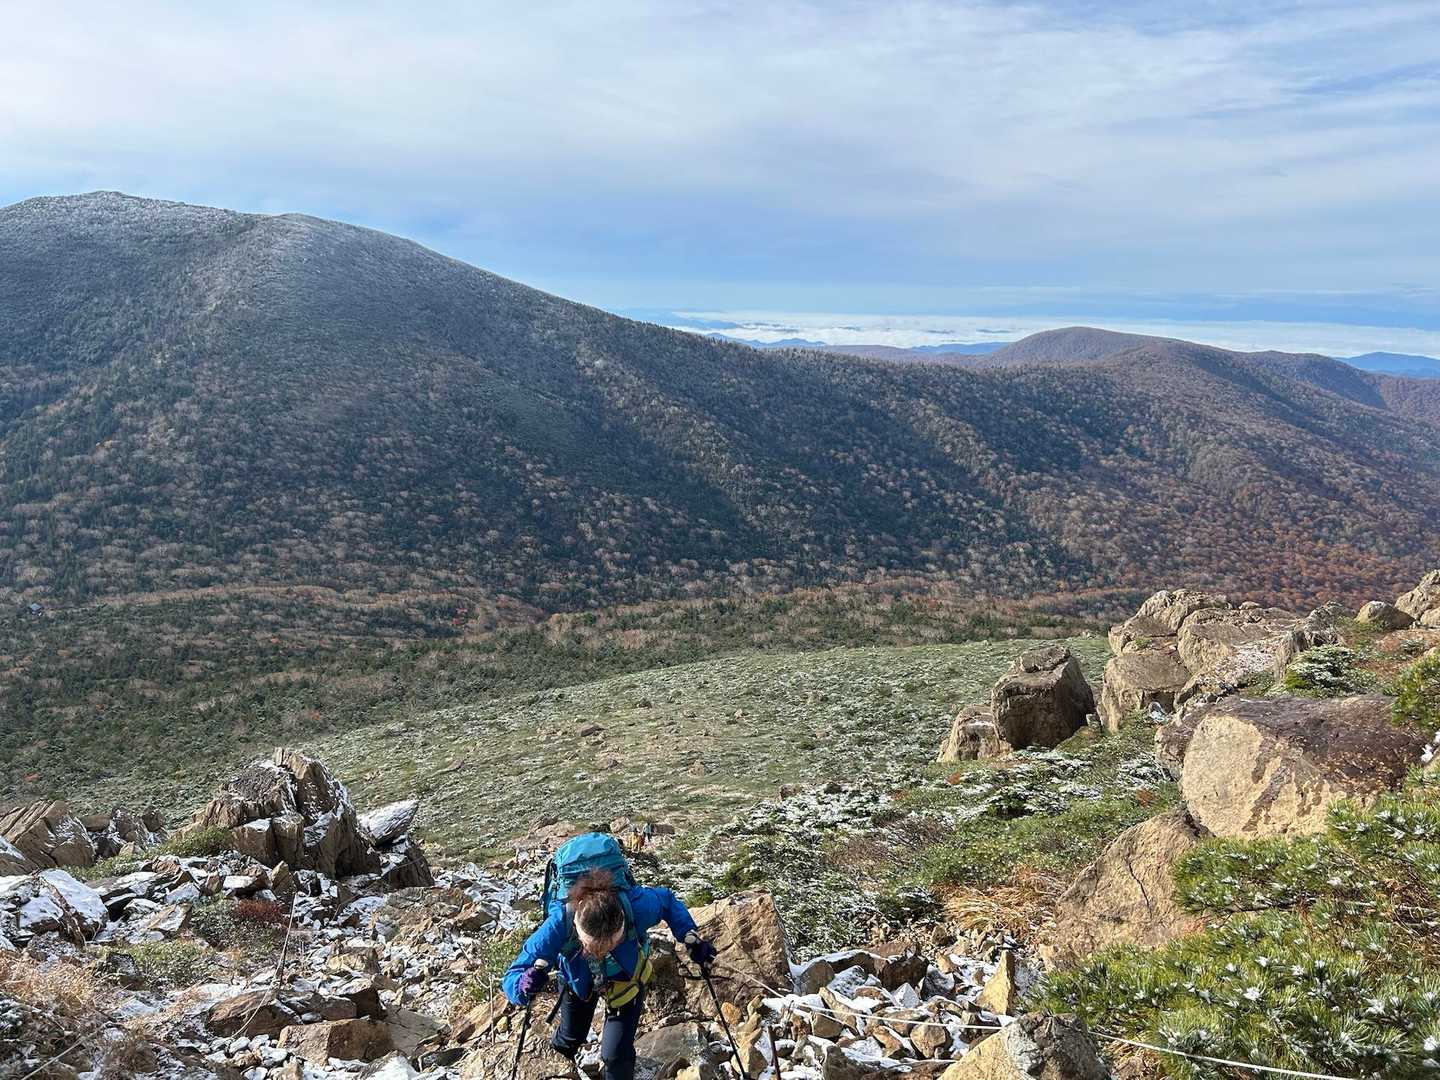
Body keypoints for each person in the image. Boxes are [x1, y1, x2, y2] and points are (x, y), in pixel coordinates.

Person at [503, 869, 718, 1080]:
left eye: (611, 944)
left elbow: (667, 901)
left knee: (616, 1055)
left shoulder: (636, 907)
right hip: (578, 979)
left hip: (625, 980)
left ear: (622, 926)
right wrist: (523, 985)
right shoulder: (560, 923)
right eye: (593, 947)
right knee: (570, 1038)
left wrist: (689, 935)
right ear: (578, 929)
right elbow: (513, 976)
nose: (601, 952)